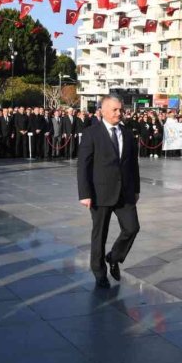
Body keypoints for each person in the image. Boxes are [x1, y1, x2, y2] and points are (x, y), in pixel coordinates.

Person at [77, 95, 141, 290]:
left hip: (125, 192)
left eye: (120, 109)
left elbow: (133, 164)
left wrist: (136, 189)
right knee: (100, 234)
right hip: (100, 192)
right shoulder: (91, 133)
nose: (118, 113)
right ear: (103, 111)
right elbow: (83, 165)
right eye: (114, 110)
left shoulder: (127, 133)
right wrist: (84, 194)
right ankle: (99, 272)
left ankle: (114, 257)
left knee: (132, 228)